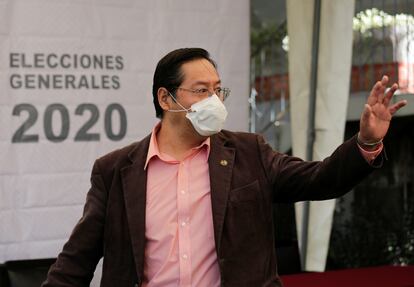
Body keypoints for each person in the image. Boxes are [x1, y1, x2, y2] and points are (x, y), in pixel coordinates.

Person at [42, 48, 407, 287]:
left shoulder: (249, 153)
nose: (214, 100)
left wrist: (367, 141)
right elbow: (76, 261)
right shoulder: (115, 170)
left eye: (218, 90)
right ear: (165, 98)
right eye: (201, 90)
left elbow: (320, 180)